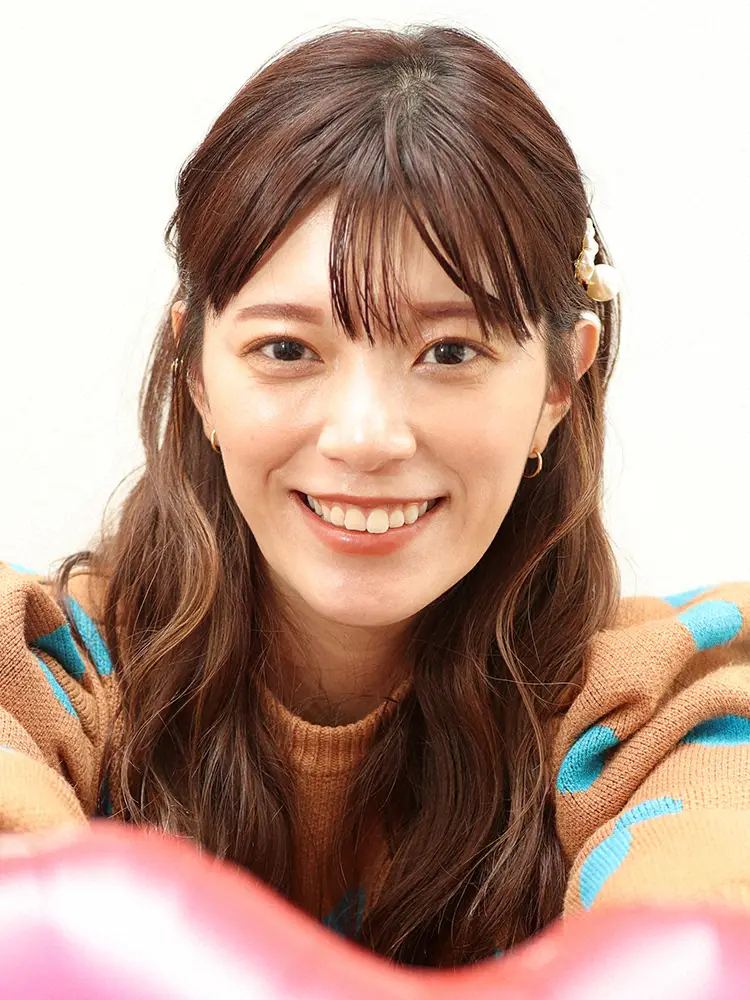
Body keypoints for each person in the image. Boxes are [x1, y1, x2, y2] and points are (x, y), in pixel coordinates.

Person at [1, 23, 748, 969]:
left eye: (450, 351)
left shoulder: (673, 713)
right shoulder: (38, 678)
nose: (364, 437)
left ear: (561, 382)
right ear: (197, 375)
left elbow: (705, 932)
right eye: (286, 349)